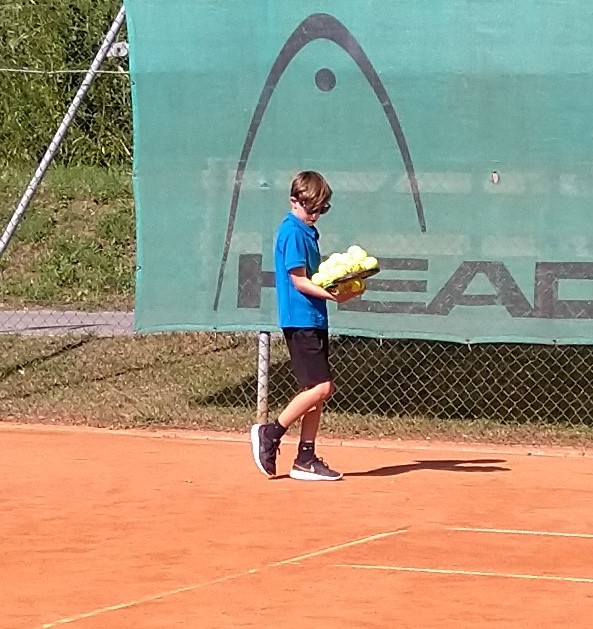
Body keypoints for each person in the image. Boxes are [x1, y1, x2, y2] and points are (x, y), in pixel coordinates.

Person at [250, 170, 363, 481]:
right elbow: (299, 281)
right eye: (311, 208)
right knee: (323, 387)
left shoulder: (308, 231)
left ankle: (305, 458)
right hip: (299, 320)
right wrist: (334, 296)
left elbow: (315, 278)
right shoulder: (292, 232)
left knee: (314, 391)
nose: (315, 214)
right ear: (294, 201)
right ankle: (270, 433)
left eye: (321, 209)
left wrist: (341, 283)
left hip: (314, 317)